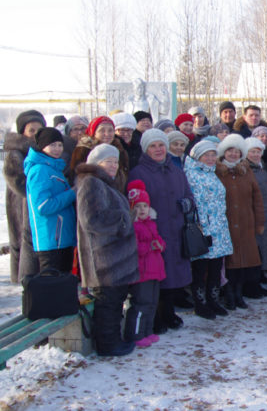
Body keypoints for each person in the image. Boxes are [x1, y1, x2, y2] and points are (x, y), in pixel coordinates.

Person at [75, 144, 139, 356]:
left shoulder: (105, 183)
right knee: (108, 303)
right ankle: (108, 345)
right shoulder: (91, 183)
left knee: (114, 300)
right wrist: (123, 220)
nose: (113, 165)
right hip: (104, 258)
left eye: (115, 161)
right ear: (96, 163)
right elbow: (91, 219)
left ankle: (113, 340)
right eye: (107, 161)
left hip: (114, 258)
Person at [129, 128, 194, 334]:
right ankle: (155, 316)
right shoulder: (138, 172)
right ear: (146, 149)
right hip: (152, 232)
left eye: (161, 145)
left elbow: (190, 196)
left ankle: (168, 312)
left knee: (173, 275)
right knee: (155, 276)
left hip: (176, 229)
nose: (158, 149)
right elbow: (134, 204)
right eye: (153, 146)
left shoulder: (176, 170)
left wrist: (187, 204)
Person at [183, 140, 234, 318]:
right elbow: (197, 205)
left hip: (219, 228)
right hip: (204, 230)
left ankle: (213, 300)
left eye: (213, 155)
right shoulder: (191, 174)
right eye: (207, 155)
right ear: (198, 156)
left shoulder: (211, 173)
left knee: (215, 267)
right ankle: (201, 303)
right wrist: (204, 229)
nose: (211, 158)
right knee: (200, 269)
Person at [215, 134, 265, 309]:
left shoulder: (246, 171)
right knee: (229, 262)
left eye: (237, 152)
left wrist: (259, 222)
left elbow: (257, 198)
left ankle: (239, 292)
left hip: (246, 223)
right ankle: (229, 294)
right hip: (225, 224)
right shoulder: (217, 171)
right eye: (230, 151)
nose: (234, 154)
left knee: (244, 261)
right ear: (223, 152)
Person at [22, 127, 76, 278]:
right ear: (42, 146)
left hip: (60, 238)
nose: (57, 149)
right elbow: (43, 206)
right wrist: (72, 193)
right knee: (51, 288)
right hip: (51, 239)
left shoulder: (53, 167)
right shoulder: (40, 170)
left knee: (61, 287)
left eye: (60, 145)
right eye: (52, 145)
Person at [5, 110, 46, 283]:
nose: (35, 134)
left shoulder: (44, 150)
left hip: (36, 209)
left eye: (39, 129)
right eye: (31, 130)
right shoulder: (16, 154)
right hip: (22, 208)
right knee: (26, 248)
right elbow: (18, 183)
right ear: (23, 131)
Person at [126, 179, 167, 344]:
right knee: (140, 304)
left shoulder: (151, 224)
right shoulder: (133, 226)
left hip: (154, 270)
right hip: (141, 272)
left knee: (152, 303)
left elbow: (160, 241)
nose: (142, 210)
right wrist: (151, 246)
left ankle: (147, 330)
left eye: (144, 206)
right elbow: (135, 247)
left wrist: (160, 245)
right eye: (137, 206)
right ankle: (135, 334)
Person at [243, 137, 267, 294]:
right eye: (252, 151)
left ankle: (261, 274)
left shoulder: (261, 166)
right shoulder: (245, 169)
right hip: (254, 213)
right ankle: (253, 281)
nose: (256, 155)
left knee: (265, 245)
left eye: (258, 151)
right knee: (255, 248)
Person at [70, 116, 130, 191]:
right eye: (102, 130)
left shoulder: (119, 150)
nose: (107, 134)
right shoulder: (84, 150)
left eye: (110, 130)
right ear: (94, 133)